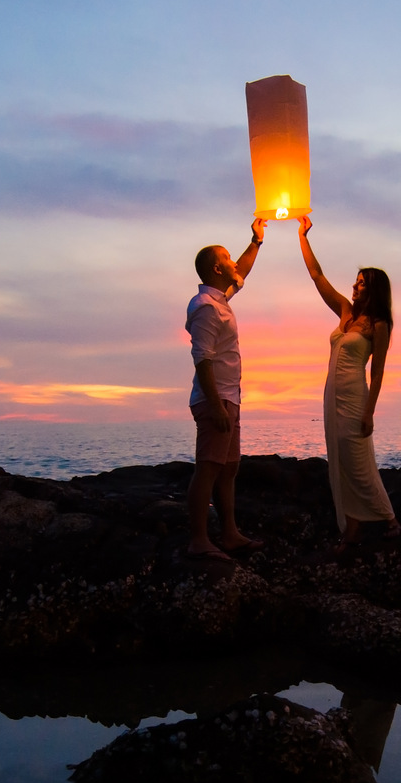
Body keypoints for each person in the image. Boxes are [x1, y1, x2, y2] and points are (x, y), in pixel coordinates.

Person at [296, 216, 401, 545]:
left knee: (358, 462)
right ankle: (352, 529)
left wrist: (369, 412)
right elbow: (317, 275)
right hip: (332, 395)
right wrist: (303, 236)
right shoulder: (345, 311)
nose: (354, 288)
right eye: (355, 282)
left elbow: (378, 370)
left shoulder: (378, 324)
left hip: (356, 397)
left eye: (361, 284)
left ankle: (389, 520)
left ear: (373, 290)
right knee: (340, 461)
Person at [185, 219, 267, 560]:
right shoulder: (205, 307)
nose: (235, 262)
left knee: (229, 467)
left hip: (229, 397)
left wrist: (256, 242)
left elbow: (240, 274)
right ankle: (199, 540)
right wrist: (216, 406)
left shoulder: (219, 301)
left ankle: (229, 533)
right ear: (217, 267)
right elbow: (201, 359)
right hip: (215, 399)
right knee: (208, 466)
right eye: (229, 257)